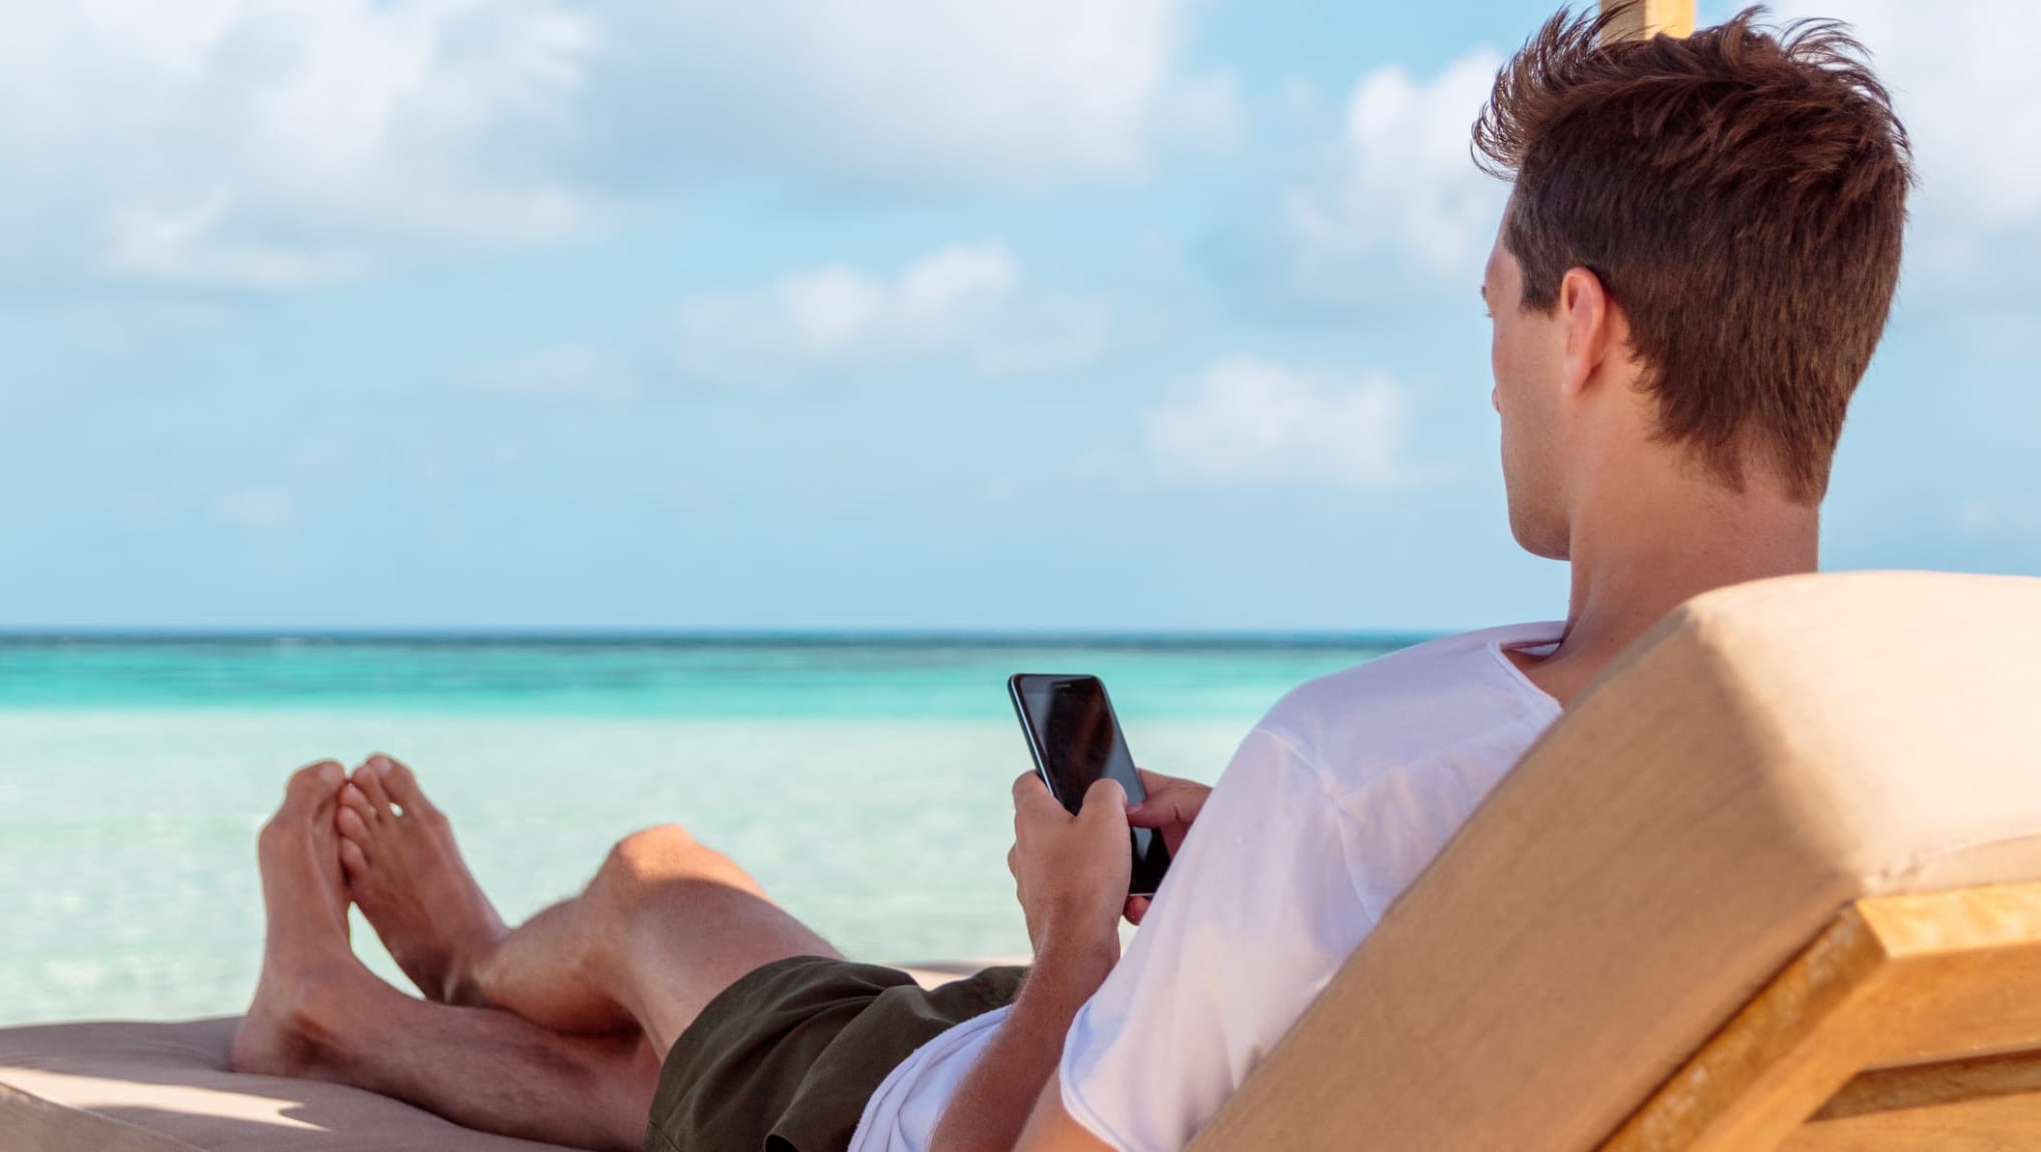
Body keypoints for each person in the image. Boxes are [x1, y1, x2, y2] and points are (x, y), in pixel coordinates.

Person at [229, 8, 1913, 1152]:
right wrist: (1246, 864)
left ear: (1586, 327)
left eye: (1502, 311)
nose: (1492, 374)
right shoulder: (1903, 747)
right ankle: (377, 1003)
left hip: (940, 1100)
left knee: (657, 879)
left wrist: (1071, 947)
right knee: (657, 1068)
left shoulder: (1352, 766)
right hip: (1203, 1050)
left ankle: (420, 973)